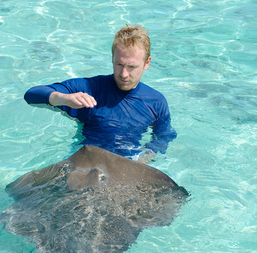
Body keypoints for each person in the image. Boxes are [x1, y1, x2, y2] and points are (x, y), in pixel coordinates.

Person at [24, 24, 177, 161]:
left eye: (131, 67)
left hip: (128, 166)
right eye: (119, 64)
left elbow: (164, 136)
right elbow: (31, 95)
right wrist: (63, 98)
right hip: (85, 164)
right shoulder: (89, 88)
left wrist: (145, 157)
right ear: (112, 58)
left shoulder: (156, 101)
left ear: (147, 63)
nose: (123, 74)